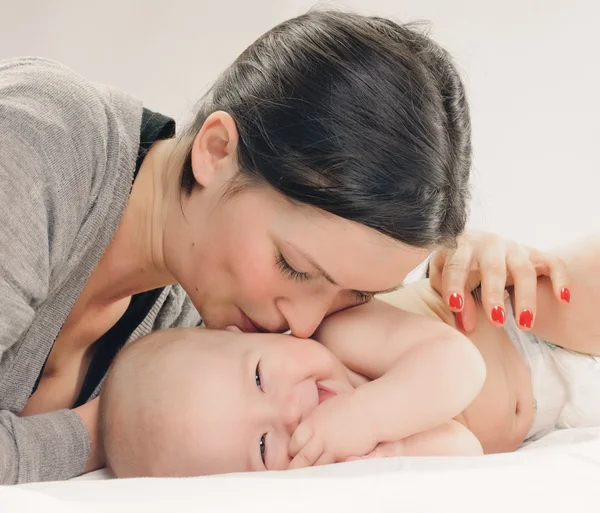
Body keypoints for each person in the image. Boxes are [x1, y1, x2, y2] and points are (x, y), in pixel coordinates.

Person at [0, 10, 567, 484]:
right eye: (294, 267)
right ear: (216, 150)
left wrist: (465, 258)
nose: (303, 325)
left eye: (355, 293)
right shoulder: (40, 141)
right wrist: (106, 431)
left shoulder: (196, 324)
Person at [101, 235, 596, 478]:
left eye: (257, 379)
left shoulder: (336, 333)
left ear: (248, 333)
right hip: (564, 414)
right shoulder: (335, 460)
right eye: (263, 447)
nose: (289, 410)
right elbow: (463, 446)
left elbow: (460, 366)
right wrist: (390, 452)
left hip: (520, 324)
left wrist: (367, 414)